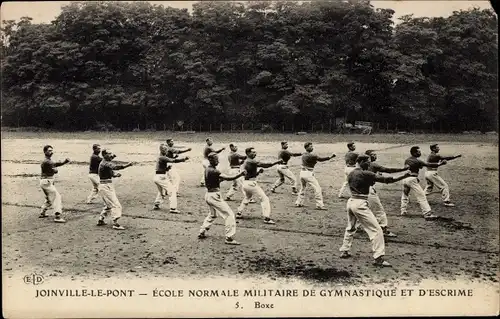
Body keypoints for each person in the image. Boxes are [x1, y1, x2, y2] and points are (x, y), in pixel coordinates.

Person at [339, 155, 412, 267]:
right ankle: (378, 258)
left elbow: (366, 183)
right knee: (376, 230)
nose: (369, 164)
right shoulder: (366, 173)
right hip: (360, 204)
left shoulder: (351, 173)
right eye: (367, 162)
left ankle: (345, 250)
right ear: (361, 162)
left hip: (351, 201)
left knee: (350, 227)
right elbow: (388, 180)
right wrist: (404, 175)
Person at [198, 152, 247, 245]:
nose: (218, 161)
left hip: (208, 195)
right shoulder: (214, 171)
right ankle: (229, 238)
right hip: (215, 196)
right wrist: (240, 175)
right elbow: (228, 178)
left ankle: (202, 231)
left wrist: (220, 180)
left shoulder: (208, 169)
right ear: (211, 160)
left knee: (212, 215)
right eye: (216, 159)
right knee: (229, 215)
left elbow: (215, 180)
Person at [365, 150, 409, 238]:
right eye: (372, 155)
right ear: (368, 157)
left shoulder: (361, 166)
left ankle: (356, 226)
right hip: (369, 189)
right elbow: (388, 170)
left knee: (363, 208)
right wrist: (403, 169)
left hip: (360, 190)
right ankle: (383, 229)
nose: (375, 156)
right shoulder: (373, 165)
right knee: (380, 211)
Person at [237, 147, 283, 224]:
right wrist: (277, 161)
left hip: (245, 183)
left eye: (255, 152)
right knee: (265, 199)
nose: (255, 153)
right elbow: (268, 165)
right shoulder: (251, 161)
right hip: (251, 184)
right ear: (248, 153)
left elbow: (250, 174)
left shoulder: (246, 161)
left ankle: (239, 212)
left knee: (247, 197)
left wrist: (258, 172)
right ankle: (267, 218)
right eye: (253, 152)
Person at [401, 146, 448, 220]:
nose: (420, 153)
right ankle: (427, 214)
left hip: (405, 179)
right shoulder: (417, 161)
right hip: (412, 180)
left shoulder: (407, 160)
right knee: (422, 197)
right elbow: (429, 164)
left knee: (405, 195)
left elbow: (416, 167)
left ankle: (403, 211)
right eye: (418, 152)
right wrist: (440, 164)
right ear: (414, 153)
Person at [96, 149, 134, 230]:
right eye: (109, 154)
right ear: (104, 155)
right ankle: (115, 223)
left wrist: (115, 175)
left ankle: (101, 220)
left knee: (108, 205)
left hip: (105, 185)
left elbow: (110, 170)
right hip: (106, 186)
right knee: (116, 205)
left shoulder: (104, 162)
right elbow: (115, 167)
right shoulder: (105, 163)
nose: (110, 155)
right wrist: (127, 165)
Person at [295, 142, 336, 209]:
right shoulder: (312, 155)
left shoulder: (303, 154)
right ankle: (319, 205)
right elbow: (321, 159)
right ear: (306, 147)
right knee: (317, 188)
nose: (312, 147)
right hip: (308, 174)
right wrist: (331, 157)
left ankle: (298, 202)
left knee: (303, 188)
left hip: (302, 173)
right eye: (310, 146)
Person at [153, 143, 189, 213]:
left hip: (158, 177)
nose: (166, 150)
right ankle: (173, 208)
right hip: (161, 177)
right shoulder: (162, 157)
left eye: (166, 149)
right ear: (161, 150)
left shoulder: (160, 157)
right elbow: (173, 161)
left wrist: (166, 168)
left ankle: (156, 204)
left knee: (162, 191)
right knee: (172, 191)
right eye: (164, 149)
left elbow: (160, 169)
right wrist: (183, 159)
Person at [39, 145, 70, 223]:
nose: (51, 152)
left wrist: (64, 162)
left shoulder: (48, 160)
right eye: (49, 150)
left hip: (45, 182)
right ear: (45, 151)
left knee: (49, 198)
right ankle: (57, 216)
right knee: (57, 197)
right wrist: (56, 168)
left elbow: (55, 164)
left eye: (51, 150)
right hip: (47, 182)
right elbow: (55, 170)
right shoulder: (47, 161)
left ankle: (42, 212)